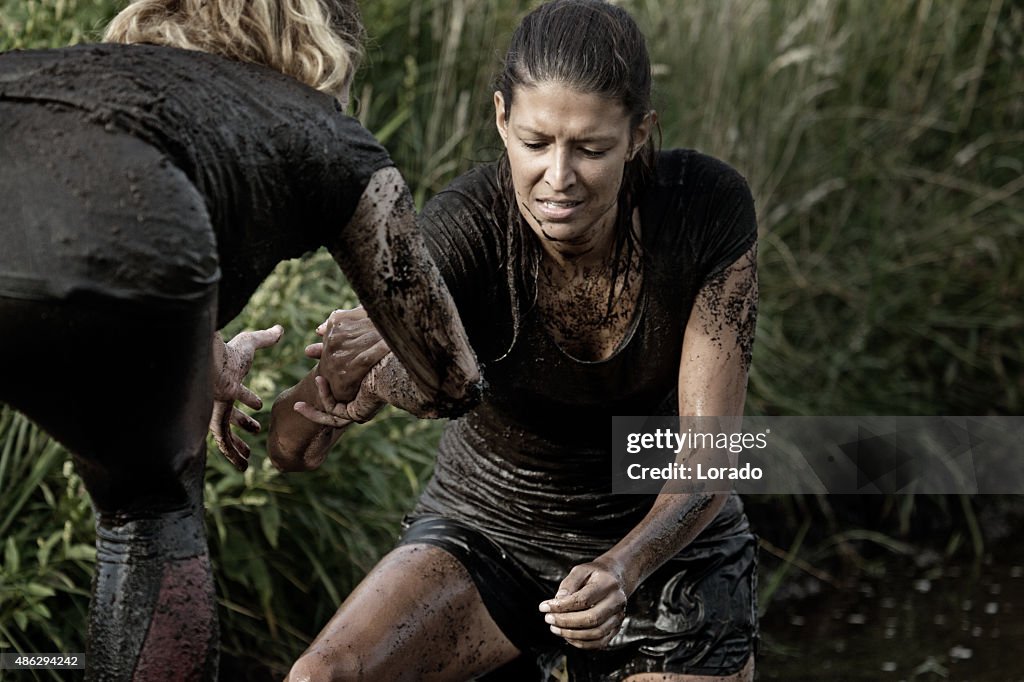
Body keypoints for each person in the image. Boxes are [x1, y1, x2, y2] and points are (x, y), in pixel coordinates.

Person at [271, 0, 759, 680]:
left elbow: (714, 455)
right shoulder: (465, 229)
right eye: (535, 144)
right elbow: (290, 445)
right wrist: (365, 381)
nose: (559, 179)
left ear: (640, 133)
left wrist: (623, 567)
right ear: (502, 119)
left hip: (662, 542)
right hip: (490, 530)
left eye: (591, 149)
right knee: (320, 676)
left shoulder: (705, 208)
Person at [0, 1, 480, 679]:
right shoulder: (321, 127)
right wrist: (364, 381)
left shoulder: (98, 77)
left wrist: (203, 354)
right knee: (150, 507)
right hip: (111, 242)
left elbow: (54, 200)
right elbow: (452, 379)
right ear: (324, 59)